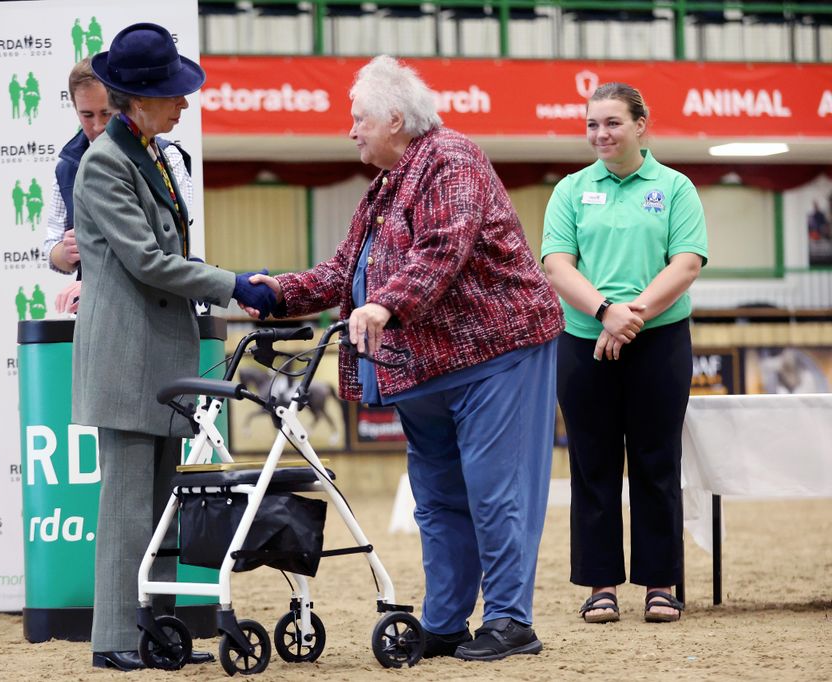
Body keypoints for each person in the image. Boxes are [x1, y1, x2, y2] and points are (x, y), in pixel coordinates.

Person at [247, 55, 564, 663]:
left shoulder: (453, 158)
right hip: (424, 369)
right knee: (439, 499)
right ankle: (446, 622)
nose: (351, 130)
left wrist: (387, 303)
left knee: (496, 493)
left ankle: (509, 621)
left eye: (358, 118)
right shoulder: (386, 186)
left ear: (394, 117)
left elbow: (445, 246)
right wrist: (280, 291)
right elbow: (345, 272)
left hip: (496, 352)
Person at [71, 22, 274, 672]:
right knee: (129, 508)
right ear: (139, 99)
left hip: (157, 354)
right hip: (127, 360)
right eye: (173, 96)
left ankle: (151, 630)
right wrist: (234, 284)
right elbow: (150, 262)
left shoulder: (150, 153)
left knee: (158, 510)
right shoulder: (107, 163)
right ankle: (112, 640)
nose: (183, 105)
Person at [541, 82, 708, 625]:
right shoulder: (569, 190)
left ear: (641, 124)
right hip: (584, 339)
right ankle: (600, 586)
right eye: (592, 124)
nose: (600, 134)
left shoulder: (675, 187)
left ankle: (662, 583)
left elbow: (685, 263)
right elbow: (557, 265)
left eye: (611, 122)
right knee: (593, 463)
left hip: (658, 342)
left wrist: (629, 316)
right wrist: (604, 312)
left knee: (658, 461)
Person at [43, 57, 195, 315]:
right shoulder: (67, 167)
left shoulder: (167, 158)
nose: (98, 125)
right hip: (97, 314)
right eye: (86, 115)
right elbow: (52, 248)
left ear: (123, 106)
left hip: (159, 308)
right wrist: (65, 252)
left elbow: (166, 247)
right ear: (74, 108)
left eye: (106, 113)